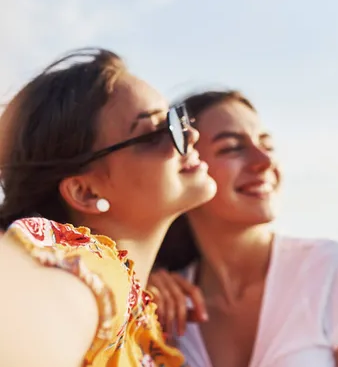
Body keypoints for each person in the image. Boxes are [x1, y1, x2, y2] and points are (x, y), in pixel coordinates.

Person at [149, 90, 338, 367]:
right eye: (232, 147)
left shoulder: (336, 272)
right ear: (187, 168)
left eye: (267, 145)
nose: (264, 161)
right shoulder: (164, 306)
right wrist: (138, 292)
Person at [0, 48, 217, 366]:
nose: (191, 134)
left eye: (175, 119)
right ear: (85, 192)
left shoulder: (140, 305)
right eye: (158, 130)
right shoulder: (92, 270)